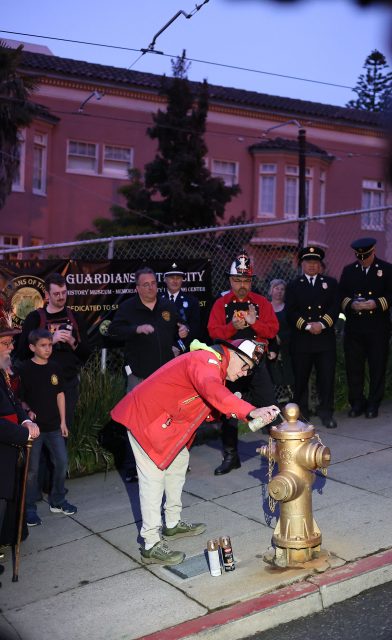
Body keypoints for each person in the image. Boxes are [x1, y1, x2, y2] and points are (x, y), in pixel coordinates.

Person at [111, 337, 279, 566]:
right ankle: (150, 543)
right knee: (153, 480)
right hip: (146, 420)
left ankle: (172, 523)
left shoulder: (214, 365)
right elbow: (212, 391)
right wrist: (249, 411)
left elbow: (205, 404)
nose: (243, 374)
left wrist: (237, 410)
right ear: (232, 354)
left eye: (248, 371)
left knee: (179, 464)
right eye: (245, 367)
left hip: (164, 424)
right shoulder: (206, 360)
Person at [108, 267, 190, 481]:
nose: (151, 287)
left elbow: (178, 329)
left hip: (165, 376)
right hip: (140, 375)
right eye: (145, 284)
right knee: (136, 420)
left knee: (169, 419)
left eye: (153, 283)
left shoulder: (166, 305)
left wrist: (182, 333)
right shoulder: (128, 308)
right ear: (137, 288)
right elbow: (113, 331)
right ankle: (132, 467)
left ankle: (169, 459)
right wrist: (136, 329)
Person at [207, 251, 279, 475]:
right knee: (228, 411)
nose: (242, 285)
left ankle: (280, 451)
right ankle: (231, 456)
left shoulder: (261, 302)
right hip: (231, 369)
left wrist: (254, 323)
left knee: (269, 405)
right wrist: (232, 328)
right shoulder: (220, 303)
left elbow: (273, 329)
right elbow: (212, 333)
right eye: (237, 280)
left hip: (257, 364)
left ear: (251, 281)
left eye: (246, 280)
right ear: (230, 280)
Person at [16, 273, 91, 429]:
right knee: (38, 431)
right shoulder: (35, 318)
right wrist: (51, 339)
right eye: (56, 293)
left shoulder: (75, 317)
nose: (61, 297)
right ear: (47, 294)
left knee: (63, 429)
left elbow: (86, 352)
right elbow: (22, 352)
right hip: (38, 384)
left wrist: (72, 341)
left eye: (64, 293)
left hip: (66, 384)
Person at [18, 329, 77, 527]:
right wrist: (28, 412)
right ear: (32, 347)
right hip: (34, 430)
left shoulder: (55, 367)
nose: (47, 349)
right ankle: (29, 509)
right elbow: (20, 399)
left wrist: (63, 422)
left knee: (61, 462)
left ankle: (58, 500)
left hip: (54, 427)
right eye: (43, 345)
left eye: (50, 345)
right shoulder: (25, 369)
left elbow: (60, 394)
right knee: (32, 470)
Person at [0, 317, 40, 576]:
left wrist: (25, 419)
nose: (11, 347)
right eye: (5, 343)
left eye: (11, 342)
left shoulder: (1, 373)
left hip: (9, 449)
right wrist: (20, 434)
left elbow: (13, 401)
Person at [285, 246, 339, 428]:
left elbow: (335, 307)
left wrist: (321, 324)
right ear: (302, 264)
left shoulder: (330, 283)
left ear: (320, 265)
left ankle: (326, 413)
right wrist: (308, 325)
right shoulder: (293, 286)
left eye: (315, 262)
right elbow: (291, 312)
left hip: (324, 340)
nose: (312, 266)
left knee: (326, 379)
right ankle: (301, 414)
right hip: (302, 340)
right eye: (308, 262)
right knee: (300, 379)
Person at [338, 237, 392, 419]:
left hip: (378, 328)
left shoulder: (386, 269)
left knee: (377, 367)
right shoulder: (349, 271)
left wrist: (375, 303)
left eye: (366, 256)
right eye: (360, 257)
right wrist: (351, 305)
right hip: (355, 329)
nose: (363, 260)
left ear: (373, 252)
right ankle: (357, 403)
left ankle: (373, 404)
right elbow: (341, 295)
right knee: (354, 367)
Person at [161, 262, 201, 350]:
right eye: (171, 278)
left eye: (178, 278)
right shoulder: (157, 300)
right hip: (161, 347)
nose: (175, 281)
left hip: (183, 348)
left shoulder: (192, 301)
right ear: (165, 279)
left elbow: (196, 327)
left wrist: (187, 330)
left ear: (182, 280)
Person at [266, 279, 294, 404]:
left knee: (289, 375)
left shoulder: (288, 308)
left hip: (287, 347)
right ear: (271, 290)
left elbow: (293, 328)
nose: (279, 291)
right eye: (276, 288)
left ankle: (291, 400)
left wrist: (280, 338)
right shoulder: (265, 308)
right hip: (269, 348)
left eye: (282, 289)